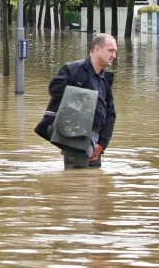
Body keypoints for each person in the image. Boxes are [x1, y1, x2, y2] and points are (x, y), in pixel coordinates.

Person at [40, 34, 118, 168]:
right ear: (97, 49)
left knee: (94, 181)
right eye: (111, 50)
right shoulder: (73, 69)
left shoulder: (105, 79)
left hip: (97, 140)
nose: (114, 55)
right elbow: (55, 88)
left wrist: (102, 144)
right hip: (75, 135)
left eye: (115, 51)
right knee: (77, 182)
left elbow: (110, 113)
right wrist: (83, 103)